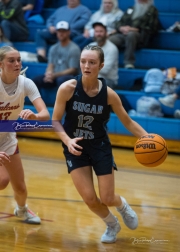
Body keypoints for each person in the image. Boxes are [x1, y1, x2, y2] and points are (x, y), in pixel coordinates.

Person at [52, 45, 148, 243]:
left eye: (92, 62)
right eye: (83, 61)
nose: (86, 66)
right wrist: (67, 140)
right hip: (75, 147)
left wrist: (147, 137)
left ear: (101, 65)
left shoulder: (109, 94)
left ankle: (122, 206)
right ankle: (112, 225)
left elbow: (128, 121)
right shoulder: (67, 88)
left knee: (107, 197)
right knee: (89, 198)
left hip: (100, 147)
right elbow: (55, 121)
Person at [0, 46, 50, 224]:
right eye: (11, 60)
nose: (17, 63)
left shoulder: (25, 83)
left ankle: (22, 210)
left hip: (6, 138)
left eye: (19, 60)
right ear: (1, 64)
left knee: (20, 187)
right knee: (2, 181)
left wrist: (35, 116)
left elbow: (45, 114)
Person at [33, 21, 81, 101]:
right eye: (59, 31)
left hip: (70, 77)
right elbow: (51, 64)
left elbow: (73, 70)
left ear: (69, 32)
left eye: (64, 31)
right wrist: (49, 74)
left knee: (61, 80)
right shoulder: (53, 48)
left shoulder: (74, 48)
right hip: (55, 76)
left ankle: (65, 107)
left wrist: (54, 75)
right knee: (34, 81)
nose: (61, 33)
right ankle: (39, 105)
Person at [108, 0, 159, 69]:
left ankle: (129, 62)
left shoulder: (152, 10)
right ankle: (108, 62)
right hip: (124, 33)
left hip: (140, 35)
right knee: (111, 39)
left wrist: (136, 29)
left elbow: (152, 27)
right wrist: (121, 28)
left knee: (131, 34)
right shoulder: (131, 9)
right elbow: (119, 22)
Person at [89, 22, 119, 89]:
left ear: (106, 33)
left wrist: (90, 65)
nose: (98, 34)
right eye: (96, 31)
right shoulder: (90, 46)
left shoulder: (112, 48)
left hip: (108, 80)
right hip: (91, 77)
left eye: (101, 31)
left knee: (92, 84)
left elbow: (105, 70)